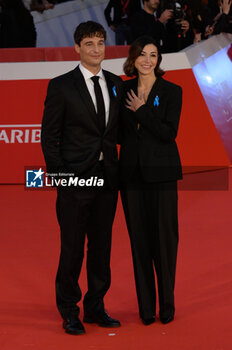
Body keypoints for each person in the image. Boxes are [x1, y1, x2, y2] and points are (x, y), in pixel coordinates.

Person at [41, 21, 123, 335]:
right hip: (75, 180)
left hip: (107, 179)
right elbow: (49, 137)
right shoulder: (61, 85)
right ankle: (69, 311)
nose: (96, 50)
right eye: (89, 44)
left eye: (100, 43)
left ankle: (96, 306)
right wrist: (62, 178)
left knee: (102, 247)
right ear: (77, 48)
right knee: (73, 248)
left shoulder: (116, 83)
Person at [119, 36, 182, 325]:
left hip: (162, 175)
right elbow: (119, 133)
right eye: (142, 54)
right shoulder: (123, 89)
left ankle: (167, 305)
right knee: (139, 241)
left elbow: (168, 134)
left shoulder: (172, 91)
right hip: (131, 175)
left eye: (153, 55)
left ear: (159, 60)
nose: (147, 59)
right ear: (133, 59)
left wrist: (142, 111)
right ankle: (146, 307)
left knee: (165, 240)